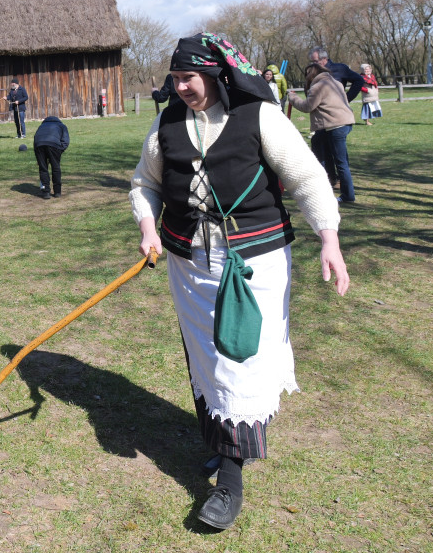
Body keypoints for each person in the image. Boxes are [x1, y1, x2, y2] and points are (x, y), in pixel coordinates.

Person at [131, 33, 348, 531]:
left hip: (255, 262)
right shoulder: (166, 123)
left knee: (241, 358)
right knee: (206, 356)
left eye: (189, 77)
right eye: (175, 78)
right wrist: (148, 226)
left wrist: (329, 240)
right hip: (189, 264)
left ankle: (229, 482)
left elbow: (308, 179)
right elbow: (145, 183)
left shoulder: (260, 116)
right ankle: (224, 442)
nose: (180, 87)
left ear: (215, 74)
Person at [288, 63, 356, 204]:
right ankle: (325, 182)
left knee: (341, 162)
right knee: (318, 145)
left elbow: (308, 106)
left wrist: (293, 98)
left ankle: (348, 195)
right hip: (340, 123)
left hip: (335, 125)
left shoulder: (319, 86)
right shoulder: (335, 82)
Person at [33, 116, 69, 199]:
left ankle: (46, 192)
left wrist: (38, 157)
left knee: (43, 169)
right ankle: (57, 192)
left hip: (39, 145)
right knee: (55, 168)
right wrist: (59, 151)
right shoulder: (62, 126)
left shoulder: (41, 126)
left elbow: (35, 139)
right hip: (54, 145)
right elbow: (65, 141)